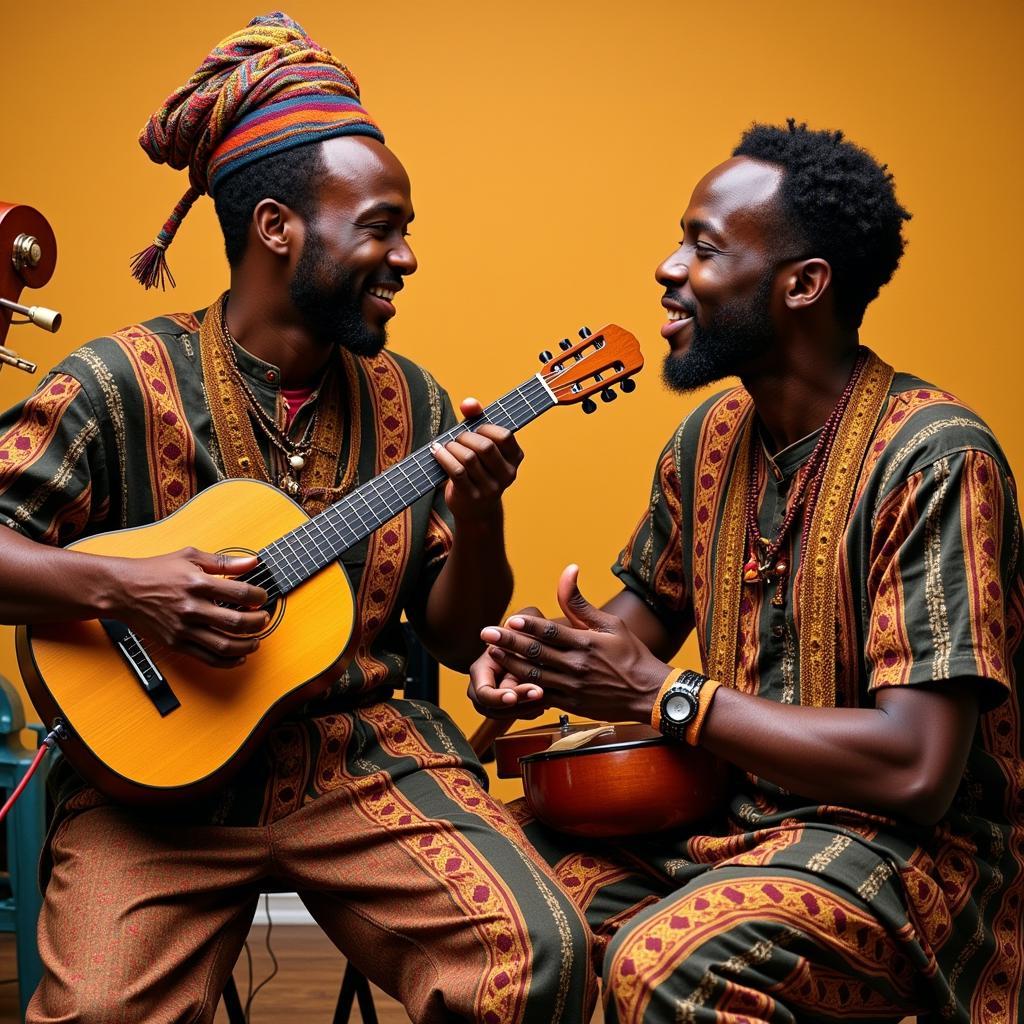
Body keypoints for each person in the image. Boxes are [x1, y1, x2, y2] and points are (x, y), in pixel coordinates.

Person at [0, 14, 596, 1023]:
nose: (405, 256)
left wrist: (481, 517)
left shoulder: (413, 400)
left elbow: (452, 634)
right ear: (278, 228)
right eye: (380, 227)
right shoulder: (113, 382)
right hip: (149, 792)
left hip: (359, 755)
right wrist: (128, 586)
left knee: (540, 953)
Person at [471, 120, 1023, 1023]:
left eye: (702, 245)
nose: (666, 267)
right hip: (725, 820)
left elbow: (919, 769)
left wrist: (668, 696)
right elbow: (641, 617)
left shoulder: (934, 458)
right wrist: (541, 656)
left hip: (910, 853)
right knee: (494, 904)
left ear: (804, 284)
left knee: (666, 964)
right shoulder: (709, 440)